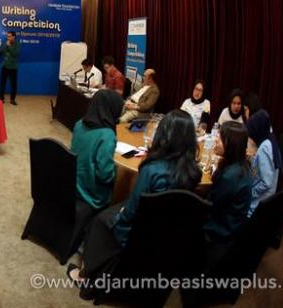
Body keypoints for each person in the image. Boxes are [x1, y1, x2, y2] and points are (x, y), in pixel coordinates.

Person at [67, 110, 201, 295]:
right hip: (167, 234)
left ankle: (87, 276)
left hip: (137, 232)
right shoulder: (194, 173)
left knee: (99, 221)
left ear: (164, 134)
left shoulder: (151, 169)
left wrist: (120, 215)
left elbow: (130, 213)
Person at [70, 90, 125, 247]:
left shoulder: (79, 124)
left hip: (72, 182)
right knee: (122, 187)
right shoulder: (107, 135)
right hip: (90, 194)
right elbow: (105, 175)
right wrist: (118, 174)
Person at [205, 122, 252, 243]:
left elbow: (212, 205)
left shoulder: (230, 177)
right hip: (230, 225)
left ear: (231, 145)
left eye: (220, 138)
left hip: (221, 231)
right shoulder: (241, 165)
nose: (216, 140)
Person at [245, 110, 281, 216]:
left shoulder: (265, 147)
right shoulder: (270, 138)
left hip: (257, 205)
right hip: (266, 199)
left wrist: (249, 194)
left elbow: (266, 183)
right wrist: (253, 159)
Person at [0, 31, 20, 105]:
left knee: (13, 84)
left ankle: (12, 99)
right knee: (2, 83)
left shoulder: (17, 44)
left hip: (13, 67)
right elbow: (1, 53)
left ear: (14, 37)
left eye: (9, 36)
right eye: (7, 36)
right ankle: (1, 98)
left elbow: (15, 54)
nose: (8, 38)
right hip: (4, 66)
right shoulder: (5, 43)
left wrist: (9, 46)